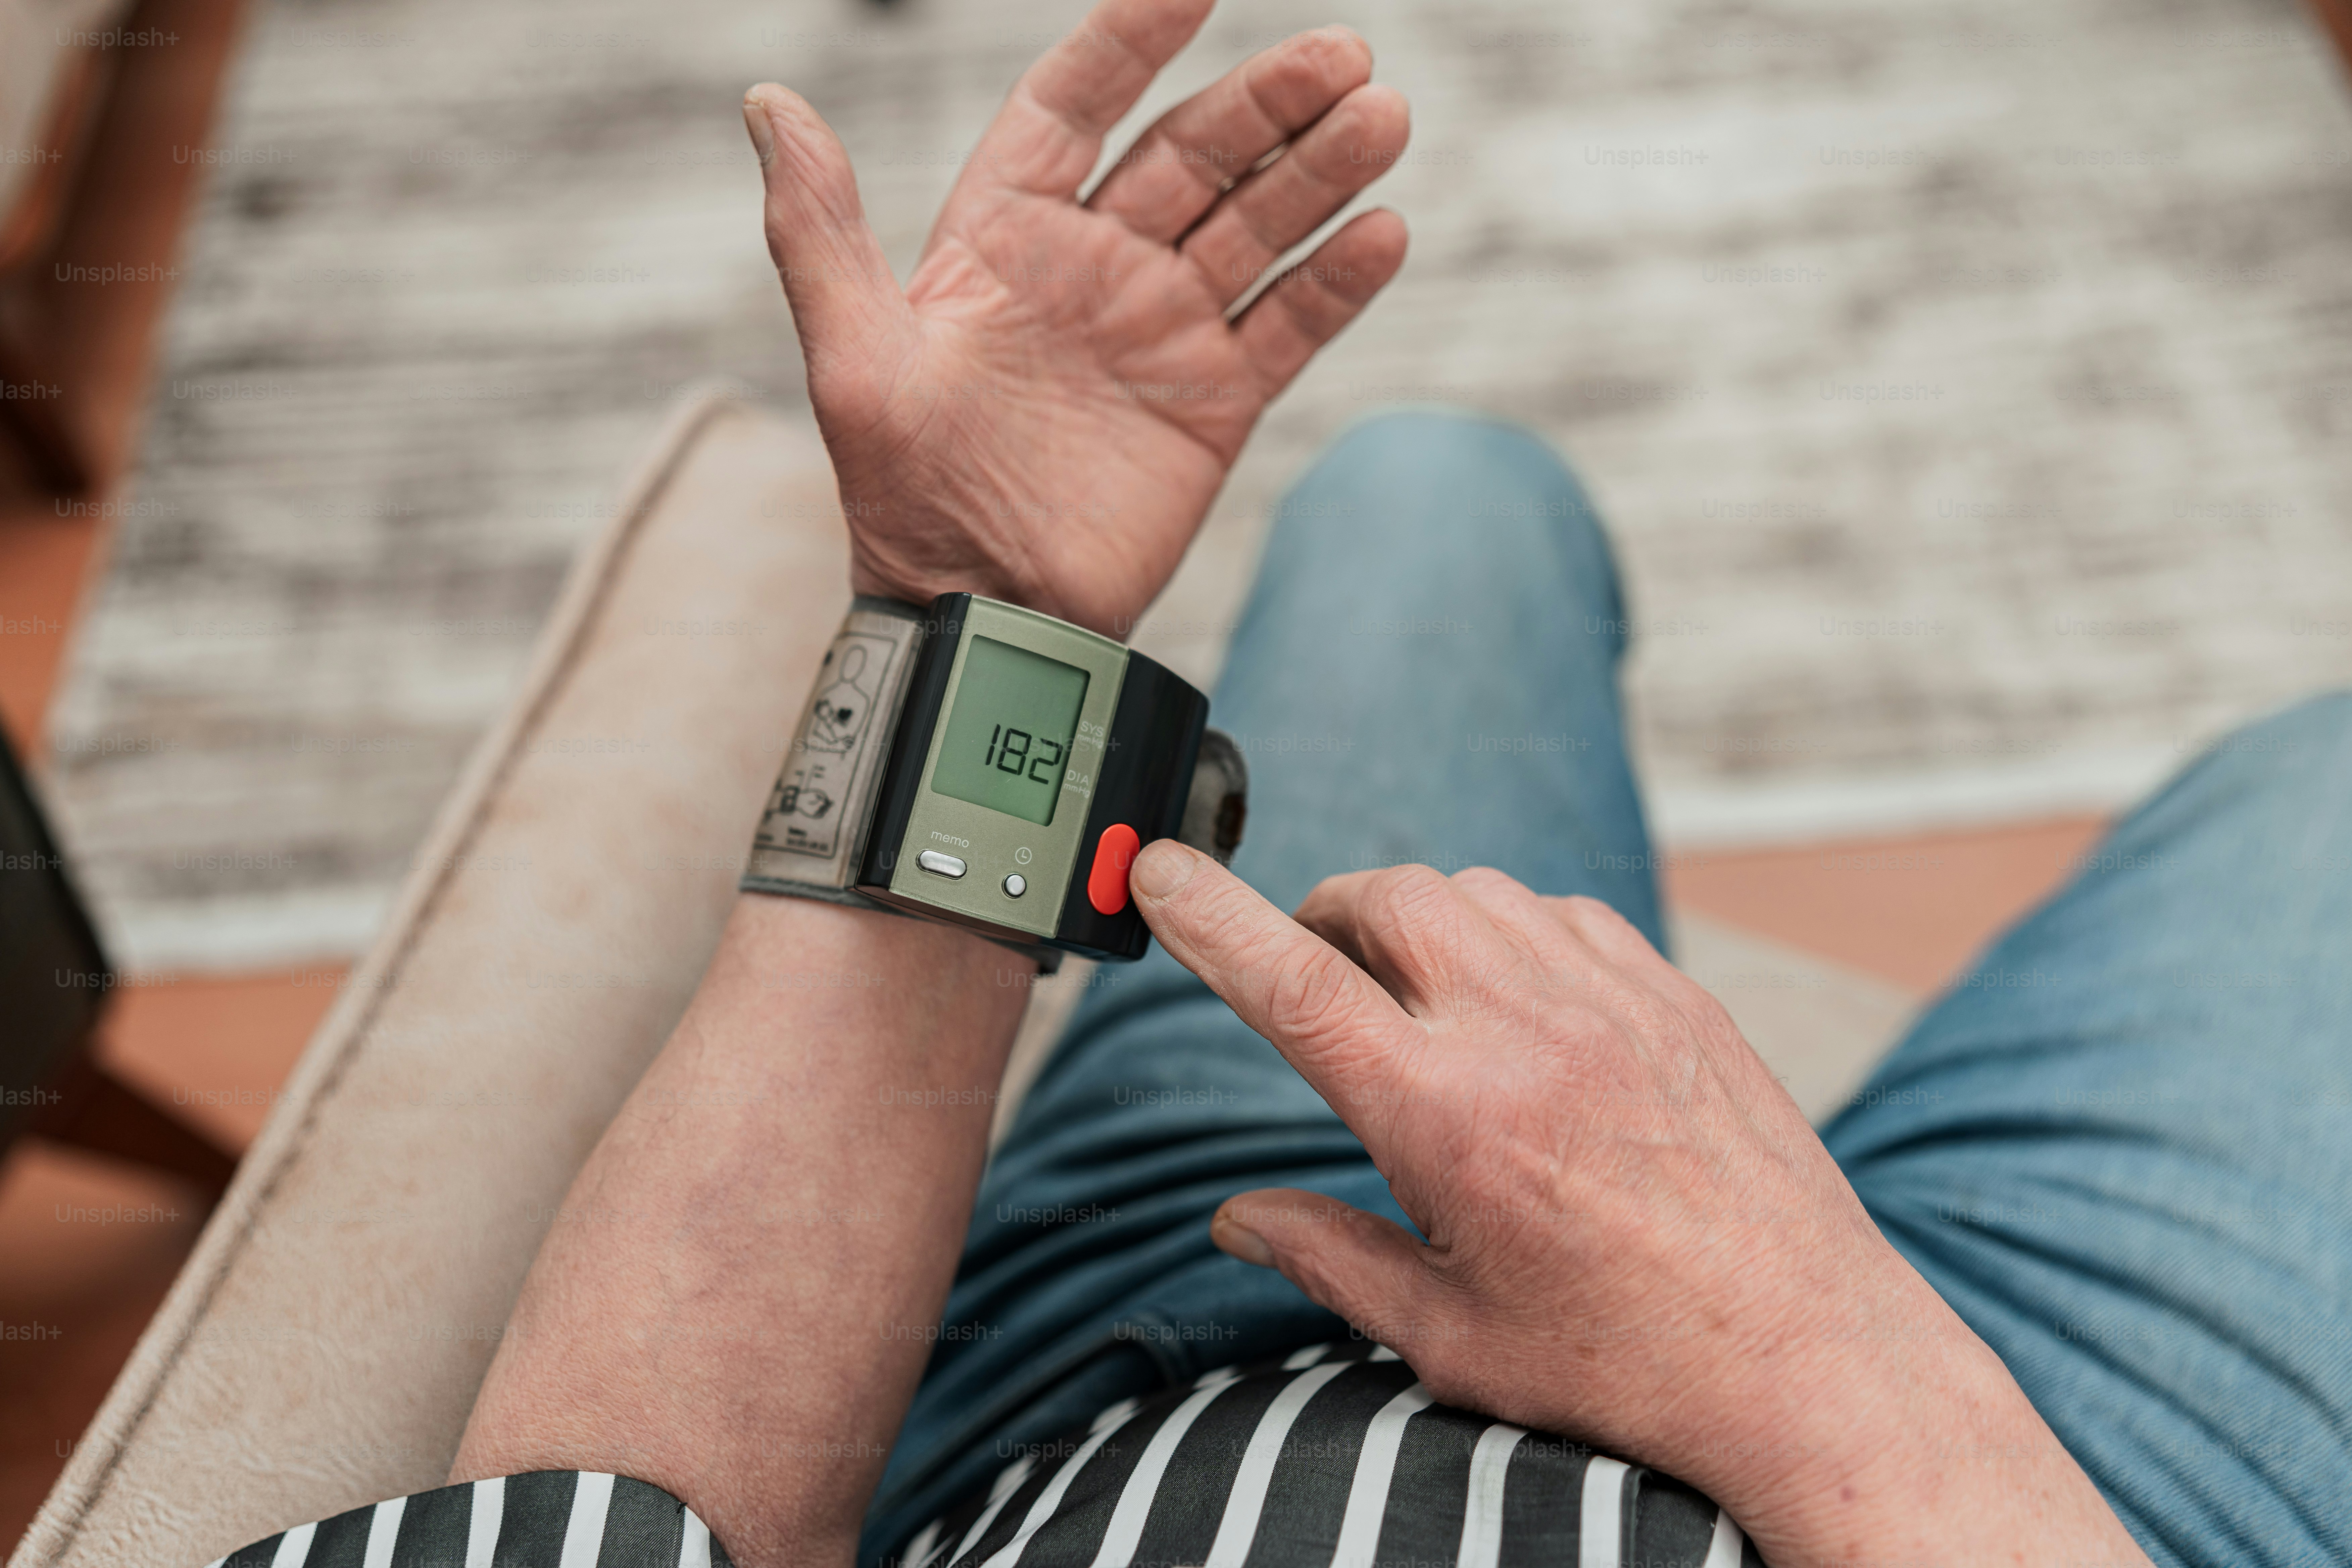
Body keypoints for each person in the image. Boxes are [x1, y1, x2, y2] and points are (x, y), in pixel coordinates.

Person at [203, 1, 2351, 1565]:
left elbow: (628, 1518)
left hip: (1174, 1346)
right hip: (2034, 1473)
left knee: (1436, 493)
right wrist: (1810, 1343)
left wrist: (986, 628)